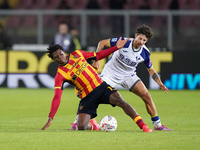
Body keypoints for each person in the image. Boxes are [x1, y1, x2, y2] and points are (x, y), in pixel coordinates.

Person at [71, 24, 172, 131]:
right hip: (110, 73)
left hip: (128, 76)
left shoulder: (145, 52)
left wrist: (160, 83)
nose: (141, 42)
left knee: (146, 96)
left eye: (144, 40)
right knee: (92, 93)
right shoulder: (124, 42)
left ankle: (158, 125)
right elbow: (102, 43)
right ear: (135, 35)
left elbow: (151, 70)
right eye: (140, 38)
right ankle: (76, 121)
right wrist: (96, 60)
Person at [41, 37, 152, 132]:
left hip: (101, 87)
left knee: (120, 100)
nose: (60, 57)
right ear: (54, 60)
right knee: (81, 126)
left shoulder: (77, 54)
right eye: (57, 57)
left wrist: (116, 47)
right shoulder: (60, 75)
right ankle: (93, 126)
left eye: (60, 54)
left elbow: (98, 55)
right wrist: (51, 117)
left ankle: (143, 126)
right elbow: (57, 97)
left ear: (63, 52)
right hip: (87, 97)